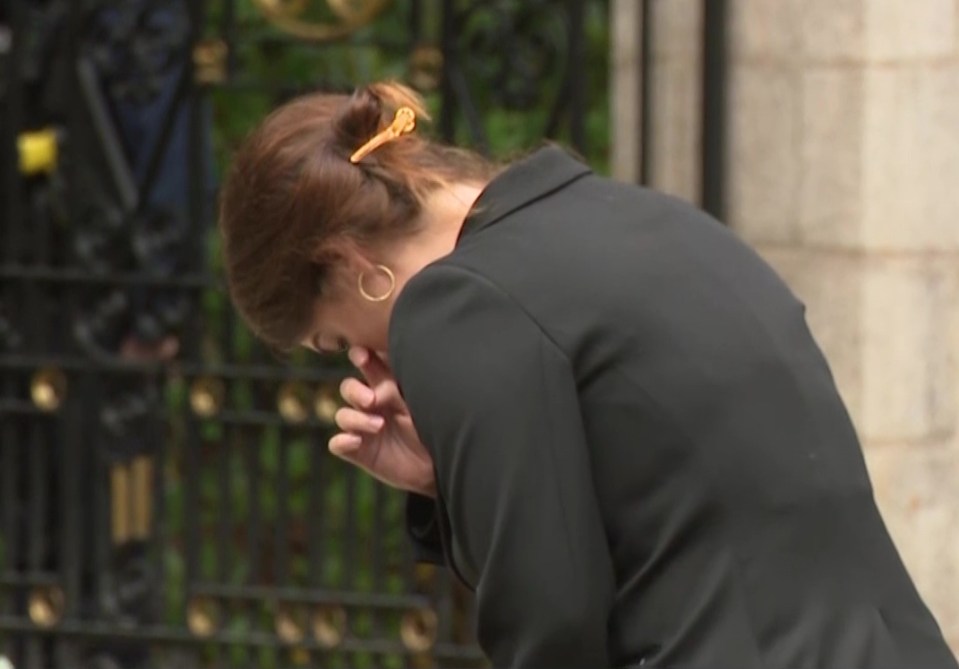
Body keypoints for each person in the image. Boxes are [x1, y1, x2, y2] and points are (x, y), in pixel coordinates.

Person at [217, 81, 959, 669]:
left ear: (350, 265)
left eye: (330, 336)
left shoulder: (454, 304)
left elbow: (552, 620)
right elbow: (674, 496)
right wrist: (455, 483)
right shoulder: (643, 218)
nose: (360, 360)